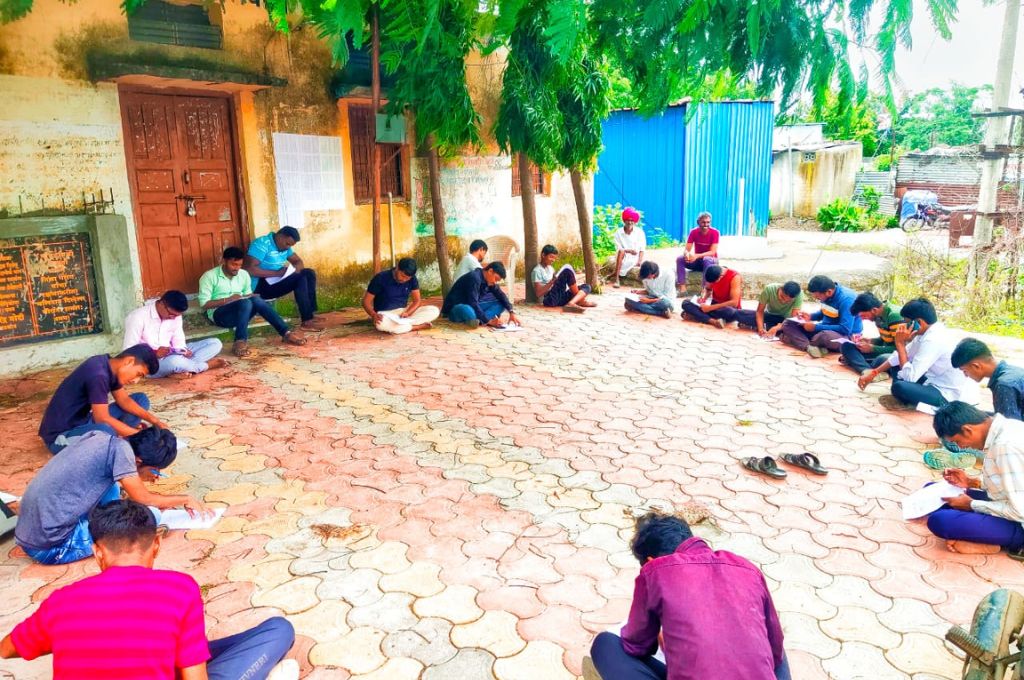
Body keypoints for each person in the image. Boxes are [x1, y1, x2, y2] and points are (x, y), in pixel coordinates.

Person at [1, 499, 298, 680]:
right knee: (278, 630)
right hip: (170, 665)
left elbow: (7, 649)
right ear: (156, 545)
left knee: (186, 650)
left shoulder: (61, 602)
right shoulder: (179, 590)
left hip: (161, 660)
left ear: (97, 552)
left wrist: (72, 636)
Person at [585, 512, 790, 680]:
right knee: (775, 652)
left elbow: (636, 645)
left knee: (606, 645)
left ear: (648, 560)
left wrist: (664, 640)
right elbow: (775, 650)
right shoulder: (747, 568)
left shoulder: (655, 570)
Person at [14, 428, 209, 565]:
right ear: (139, 460)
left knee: (113, 490)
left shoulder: (102, 438)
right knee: (150, 515)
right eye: (155, 472)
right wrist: (184, 499)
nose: (155, 477)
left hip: (32, 533)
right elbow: (144, 498)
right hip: (53, 546)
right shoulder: (123, 455)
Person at [926, 402, 1024, 555]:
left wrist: (972, 505)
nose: (962, 447)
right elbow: (1011, 482)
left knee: (940, 521)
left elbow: (1019, 510)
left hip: (1020, 521)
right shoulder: (1005, 428)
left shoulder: (1005, 446)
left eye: (957, 442)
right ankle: (986, 535)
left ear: (967, 430)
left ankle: (1001, 542)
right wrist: (971, 482)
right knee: (932, 492)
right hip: (1008, 501)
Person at [38, 345, 168, 455]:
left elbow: (123, 400)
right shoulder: (98, 375)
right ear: (129, 361)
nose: (135, 381)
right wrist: (139, 436)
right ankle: (127, 437)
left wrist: (155, 421)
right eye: (138, 374)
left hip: (84, 421)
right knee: (105, 431)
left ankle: (123, 436)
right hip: (61, 436)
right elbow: (102, 418)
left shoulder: (108, 365)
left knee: (141, 399)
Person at [858, 298, 978, 411]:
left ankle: (912, 401)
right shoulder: (924, 333)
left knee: (900, 387)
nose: (904, 326)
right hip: (932, 381)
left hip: (948, 393)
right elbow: (897, 357)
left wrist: (900, 344)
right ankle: (907, 399)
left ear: (918, 322)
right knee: (894, 362)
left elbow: (910, 377)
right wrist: (873, 373)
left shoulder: (933, 339)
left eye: (906, 323)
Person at [199, 246, 306, 358]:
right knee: (245, 303)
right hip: (221, 315)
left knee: (255, 300)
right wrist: (228, 299)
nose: (237, 268)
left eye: (240, 265)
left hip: (242, 313)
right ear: (224, 261)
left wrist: (249, 296)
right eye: (233, 265)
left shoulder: (243, 274)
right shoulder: (209, 276)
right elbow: (204, 304)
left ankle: (286, 333)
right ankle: (239, 341)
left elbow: (247, 296)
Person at [123, 290, 226, 379]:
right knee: (174, 362)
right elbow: (129, 352)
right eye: (171, 314)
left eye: (177, 315)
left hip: (171, 354)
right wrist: (154, 354)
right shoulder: (137, 317)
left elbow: (178, 337)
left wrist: (182, 350)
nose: (174, 318)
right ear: (162, 304)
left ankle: (178, 370)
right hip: (150, 363)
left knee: (215, 343)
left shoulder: (175, 316)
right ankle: (204, 366)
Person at [245, 226, 322, 330]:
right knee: (299, 279)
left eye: (290, 245)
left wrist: (293, 271)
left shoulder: (285, 248)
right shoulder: (261, 244)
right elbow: (250, 269)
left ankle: (310, 313)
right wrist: (277, 273)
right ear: (280, 236)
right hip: (259, 286)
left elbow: (298, 261)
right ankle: (306, 320)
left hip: (275, 280)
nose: (288, 247)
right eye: (287, 244)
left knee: (308, 273)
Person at [779, 275, 862, 358]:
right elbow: (824, 313)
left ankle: (797, 341)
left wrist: (815, 327)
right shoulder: (826, 295)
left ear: (829, 292)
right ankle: (809, 347)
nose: (817, 299)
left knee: (824, 336)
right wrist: (810, 316)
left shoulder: (847, 300)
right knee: (788, 323)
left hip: (846, 336)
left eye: (818, 297)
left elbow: (845, 329)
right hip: (824, 330)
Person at [951, 338, 1024, 421]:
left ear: (976, 366)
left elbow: (1009, 426)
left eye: (964, 370)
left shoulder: (1004, 385)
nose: (965, 375)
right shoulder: (1014, 371)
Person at [362, 258, 440, 334]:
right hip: (386, 314)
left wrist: (408, 313)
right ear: (397, 268)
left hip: (403, 313)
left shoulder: (412, 279)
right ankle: (415, 327)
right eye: (402, 276)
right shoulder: (380, 278)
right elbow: (366, 302)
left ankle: (402, 326)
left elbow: (417, 301)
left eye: (407, 278)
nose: (404, 280)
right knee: (380, 324)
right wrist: (374, 315)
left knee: (434, 310)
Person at [839, 292, 903, 378]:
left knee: (882, 359)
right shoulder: (878, 315)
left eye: (863, 316)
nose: (863, 319)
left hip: (900, 354)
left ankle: (865, 369)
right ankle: (867, 371)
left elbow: (900, 347)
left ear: (874, 310)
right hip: (887, 350)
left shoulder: (894, 316)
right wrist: (871, 341)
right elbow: (887, 339)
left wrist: (873, 348)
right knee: (846, 346)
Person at [441, 263, 522, 328]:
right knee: (468, 310)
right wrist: (489, 321)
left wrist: (511, 312)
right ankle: (483, 320)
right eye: (496, 279)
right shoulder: (474, 277)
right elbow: (472, 302)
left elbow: (501, 295)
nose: (495, 282)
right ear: (490, 271)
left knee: (501, 304)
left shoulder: (489, 280)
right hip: (457, 308)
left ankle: (478, 320)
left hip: (473, 305)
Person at [532, 245, 595, 312]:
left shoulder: (551, 268)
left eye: (554, 258)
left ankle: (573, 302)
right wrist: (552, 282)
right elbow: (538, 293)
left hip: (560, 297)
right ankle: (579, 302)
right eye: (551, 257)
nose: (553, 260)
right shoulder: (537, 271)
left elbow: (558, 285)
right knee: (566, 271)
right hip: (550, 299)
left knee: (587, 286)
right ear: (543, 255)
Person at [680, 264, 742, 329]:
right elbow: (708, 289)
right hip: (714, 305)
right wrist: (703, 299)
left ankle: (696, 315)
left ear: (720, 277)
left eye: (714, 282)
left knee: (731, 312)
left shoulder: (734, 276)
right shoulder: (712, 273)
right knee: (686, 302)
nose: (713, 283)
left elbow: (734, 303)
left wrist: (710, 308)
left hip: (726, 307)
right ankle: (713, 321)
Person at [735, 281, 804, 337]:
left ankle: (756, 326)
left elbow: (793, 319)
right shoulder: (769, 289)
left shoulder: (799, 294)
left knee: (794, 327)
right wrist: (761, 328)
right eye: (782, 297)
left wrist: (777, 327)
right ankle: (764, 327)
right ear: (780, 288)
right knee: (740, 313)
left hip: (784, 320)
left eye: (788, 301)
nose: (784, 301)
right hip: (769, 315)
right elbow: (759, 311)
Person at [675, 212, 720, 293]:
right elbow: (686, 249)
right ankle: (682, 288)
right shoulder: (693, 232)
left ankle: (704, 290)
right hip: (699, 262)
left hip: (711, 262)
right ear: (698, 222)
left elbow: (712, 252)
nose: (706, 224)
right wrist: (687, 255)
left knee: (707, 259)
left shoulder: (715, 232)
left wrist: (696, 256)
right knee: (680, 259)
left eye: (708, 222)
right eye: (703, 222)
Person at [612, 207, 646, 287]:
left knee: (623, 253)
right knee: (621, 252)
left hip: (634, 257)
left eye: (632, 220)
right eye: (628, 220)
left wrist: (639, 261)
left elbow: (642, 248)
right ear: (624, 220)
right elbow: (618, 248)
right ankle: (617, 279)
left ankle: (613, 275)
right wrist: (629, 251)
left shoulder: (639, 232)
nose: (630, 222)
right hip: (622, 256)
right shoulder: (618, 232)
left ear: (634, 221)